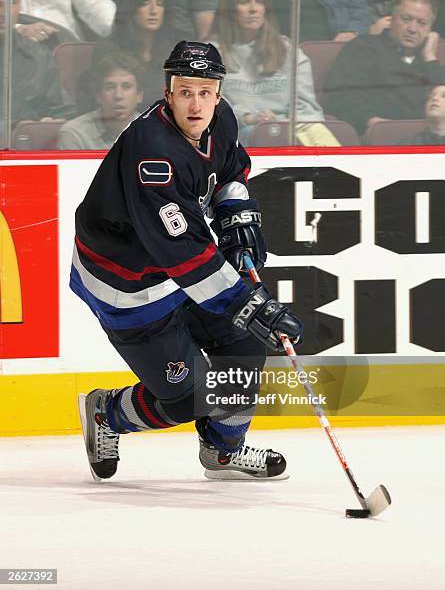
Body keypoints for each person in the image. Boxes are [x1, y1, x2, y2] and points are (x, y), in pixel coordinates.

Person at [73, 40, 303, 481]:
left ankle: (223, 451)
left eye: (205, 91)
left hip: (177, 265)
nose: (196, 103)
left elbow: (230, 170)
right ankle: (107, 413)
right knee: (185, 399)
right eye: (185, 92)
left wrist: (236, 214)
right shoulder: (151, 154)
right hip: (129, 283)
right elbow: (185, 255)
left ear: (218, 92)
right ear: (168, 93)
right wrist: (249, 304)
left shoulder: (223, 119)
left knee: (245, 343)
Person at [212, 0, 324, 145]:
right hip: (240, 130)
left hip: (288, 128)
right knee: (260, 136)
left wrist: (278, 123)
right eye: (244, 2)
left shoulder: (288, 50)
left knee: (320, 136)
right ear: (230, 11)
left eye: (259, 2)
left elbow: (307, 108)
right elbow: (212, 108)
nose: (253, 9)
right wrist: (249, 118)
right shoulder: (213, 53)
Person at [324, 0, 445, 135]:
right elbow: (340, 96)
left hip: (430, 140)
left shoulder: (431, 59)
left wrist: (430, 59)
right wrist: (371, 121)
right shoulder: (363, 48)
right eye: (406, 19)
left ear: (430, 28)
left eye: (422, 23)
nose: (413, 29)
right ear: (391, 18)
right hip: (377, 136)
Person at [91, 0, 173, 111]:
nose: (154, 11)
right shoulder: (107, 49)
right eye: (145, 3)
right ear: (131, 8)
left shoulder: (172, 51)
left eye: (160, 4)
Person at [0, 0, 68, 128]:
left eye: (12, 3)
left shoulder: (39, 56)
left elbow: (57, 109)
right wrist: (13, 126)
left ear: (20, 6)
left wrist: (51, 121)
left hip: (27, 147)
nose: (4, 13)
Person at [58, 53, 143, 150]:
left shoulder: (158, 132)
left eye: (126, 86)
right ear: (98, 96)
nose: (118, 95)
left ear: (139, 95)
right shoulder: (75, 134)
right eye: (110, 87)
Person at [18, 0, 116, 40]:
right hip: (13, 49)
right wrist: (18, 30)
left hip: (66, 47)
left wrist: (117, 27)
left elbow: (92, 1)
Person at [354, 0, 430, 35]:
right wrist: (370, 28)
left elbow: (421, 2)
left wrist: (397, 20)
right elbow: (357, 6)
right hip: (370, 24)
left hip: (404, 21)